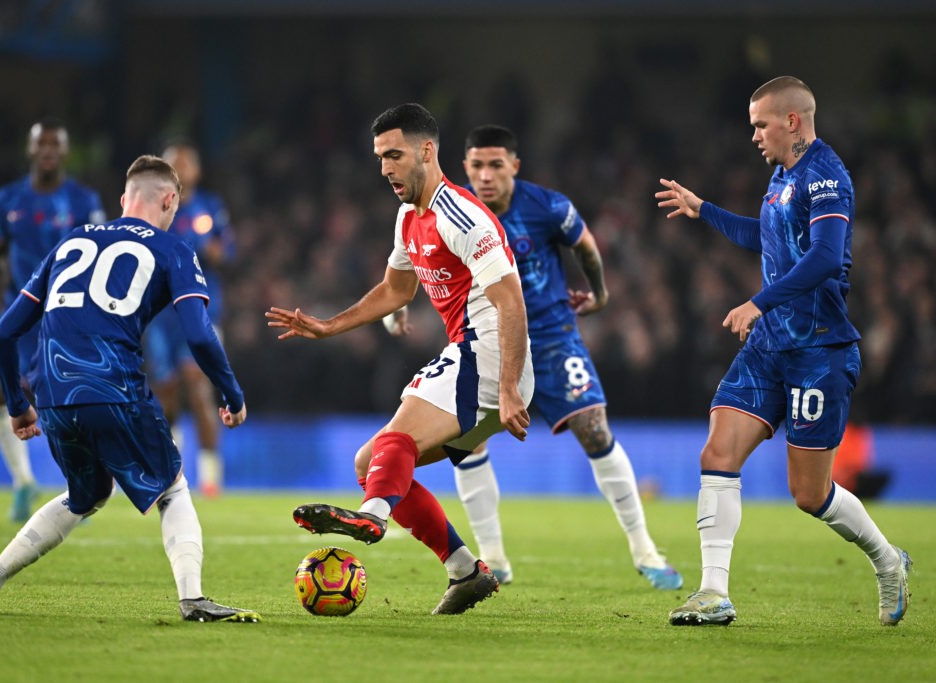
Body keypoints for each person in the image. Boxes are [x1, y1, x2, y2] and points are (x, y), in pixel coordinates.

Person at [0, 155, 258, 623]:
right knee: (172, 488)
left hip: (52, 394)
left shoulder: (71, 241)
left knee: (86, 495)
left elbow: (4, 333)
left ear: (123, 199)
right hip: (113, 386)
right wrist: (232, 394)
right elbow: (199, 336)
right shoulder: (173, 248)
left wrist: (17, 404)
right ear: (169, 201)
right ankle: (193, 599)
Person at [655, 76, 911, 626]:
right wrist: (706, 210)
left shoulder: (826, 176)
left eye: (760, 124)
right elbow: (765, 237)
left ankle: (888, 560)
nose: (754, 136)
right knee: (717, 453)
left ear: (792, 122)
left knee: (809, 494)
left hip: (818, 350)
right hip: (769, 347)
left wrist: (758, 301)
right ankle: (713, 593)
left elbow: (825, 257)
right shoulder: (782, 177)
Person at [385, 124, 682, 590]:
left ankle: (646, 550)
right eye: (477, 166)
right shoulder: (452, 209)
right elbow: (425, 261)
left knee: (593, 428)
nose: (486, 175)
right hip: (487, 343)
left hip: (551, 339)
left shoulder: (547, 206)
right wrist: (399, 305)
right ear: (464, 167)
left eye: (496, 165)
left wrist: (599, 294)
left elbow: (586, 247)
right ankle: (494, 558)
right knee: (467, 445)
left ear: (514, 166)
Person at [266, 103, 534, 615]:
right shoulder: (410, 217)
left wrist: (507, 387)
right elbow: (396, 289)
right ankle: (465, 571)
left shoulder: (462, 216)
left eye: (394, 155)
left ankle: (372, 518)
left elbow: (512, 302)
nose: (385, 168)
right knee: (372, 464)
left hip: (490, 353)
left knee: (395, 442)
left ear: (426, 151)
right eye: (379, 158)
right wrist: (329, 326)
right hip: (473, 355)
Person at [0, 117, 106, 522]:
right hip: (20, 306)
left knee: (71, 395)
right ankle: (23, 481)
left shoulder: (82, 200)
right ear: (30, 149)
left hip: (66, 312)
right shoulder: (9, 198)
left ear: (65, 152)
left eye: (54, 144)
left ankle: (87, 479)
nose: (47, 150)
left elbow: (102, 253)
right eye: (40, 143)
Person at [142, 141, 235, 497]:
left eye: (184, 165)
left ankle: (211, 478)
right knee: (165, 392)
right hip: (160, 314)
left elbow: (227, 252)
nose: (178, 172)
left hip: (200, 312)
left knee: (198, 386)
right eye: (172, 165)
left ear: (196, 171)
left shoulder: (210, 207)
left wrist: (212, 248)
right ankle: (173, 471)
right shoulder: (152, 209)